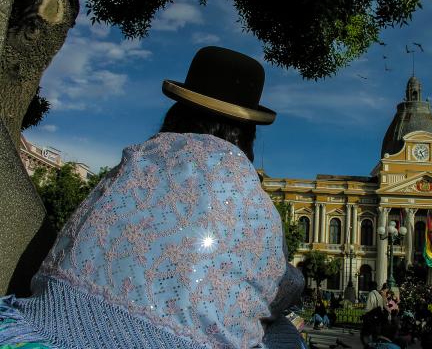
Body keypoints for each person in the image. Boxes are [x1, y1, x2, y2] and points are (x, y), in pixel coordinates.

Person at [0, 46, 305, 349]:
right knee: (285, 336)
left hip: (52, 324)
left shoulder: (133, 163)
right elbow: (276, 289)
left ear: (178, 111)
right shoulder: (255, 205)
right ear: (248, 134)